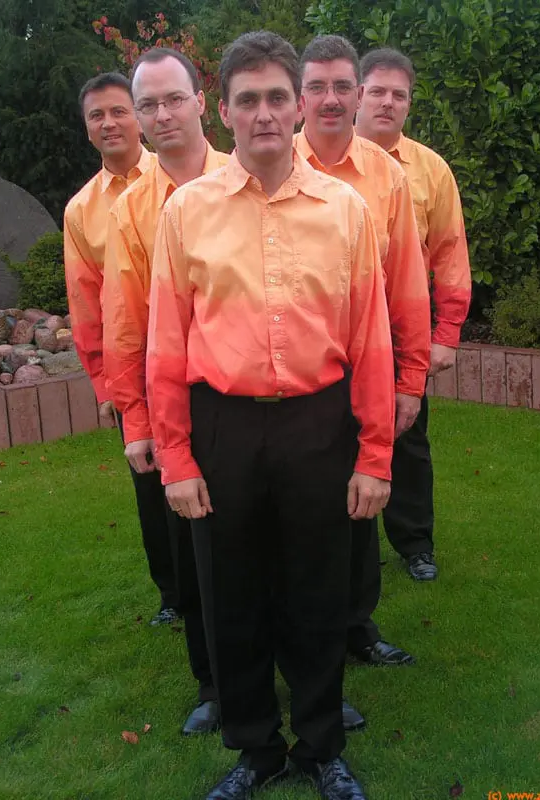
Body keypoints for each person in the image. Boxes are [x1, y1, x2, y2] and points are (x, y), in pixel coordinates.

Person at [146, 30, 395, 800]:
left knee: (319, 590)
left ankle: (321, 745)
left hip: (319, 424)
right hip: (222, 425)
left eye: (276, 97)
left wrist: (375, 455)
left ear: (299, 107)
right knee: (232, 594)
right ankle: (256, 747)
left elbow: (371, 340)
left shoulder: (346, 210)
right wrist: (176, 458)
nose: (263, 113)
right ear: (223, 111)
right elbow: (165, 343)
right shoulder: (186, 212)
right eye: (247, 99)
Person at [296, 35, 430, 695]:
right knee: (298, 510)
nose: (330, 99)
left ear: (356, 93)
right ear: (299, 97)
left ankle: (357, 626)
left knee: (362, 501)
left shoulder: (387, 176)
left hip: (367, 366)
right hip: (295, 375)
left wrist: (410, 382)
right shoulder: (266, 165)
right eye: (316, 86)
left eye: (341, 86)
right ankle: (300, 636)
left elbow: (408, 288)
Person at [102, 48, 228, 736]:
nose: (161, 114)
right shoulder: (131, 211)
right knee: (195, 552)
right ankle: (213, 683)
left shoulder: (248, 179)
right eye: (147, 104)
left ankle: (298, 674)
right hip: (175, 400)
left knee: (274, 545)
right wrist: (137, 421)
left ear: (201, 101)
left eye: (173, 98)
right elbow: (125, 324)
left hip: (249, 395)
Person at [63, 73, 180, 628]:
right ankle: (173, 593)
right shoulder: (81, 211)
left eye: (118, 111)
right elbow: (87, 306)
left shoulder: (178, 177)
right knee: (151, 485)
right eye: (96, 116)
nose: (108, 123)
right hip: (134, 366)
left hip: (195, 358)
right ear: (87, 128)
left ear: (138, 117)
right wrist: (106, 386)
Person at [356, 47, 472, 581]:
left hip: (402, 330)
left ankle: (415, 543)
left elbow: (449, 252)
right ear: (359, 94)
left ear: (409, 103)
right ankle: (349, 543)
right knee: (331, 440)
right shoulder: (312, 160)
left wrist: (445, 333)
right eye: (378, 91)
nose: (387, 102)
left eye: (398, 95)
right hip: (333, 332)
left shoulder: (430, 169)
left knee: (407, 436)